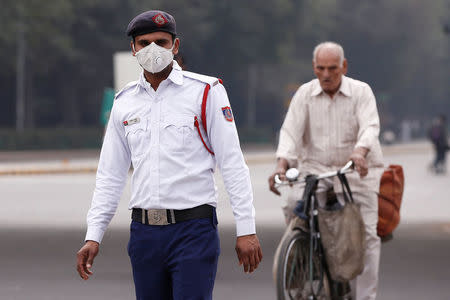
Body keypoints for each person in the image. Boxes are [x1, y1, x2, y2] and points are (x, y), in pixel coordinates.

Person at [76, 10, 262, 300]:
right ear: (133, 49)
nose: (153, 50)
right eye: (144, 42)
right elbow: (110, 174)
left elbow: (232, 163)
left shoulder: (206, 92)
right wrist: (93, 234)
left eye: (161, 42)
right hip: (144, 234)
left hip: (193, 231)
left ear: (175, 46)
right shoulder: (124, 101)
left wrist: (246, 229)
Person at [268, 42, 384, 300]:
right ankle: (305, 260)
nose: (326, 75)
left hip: (354, 170)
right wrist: (282, 163)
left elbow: (370, 127)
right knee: (294, 204)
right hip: (316, 169)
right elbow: (290, 132)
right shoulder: (304, 95)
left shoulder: (361, 92)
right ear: (314, 67)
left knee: (366, 235)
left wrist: (360, 151)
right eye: (321, 68)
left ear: (344, 66)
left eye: (333, 68)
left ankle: (364, 296)